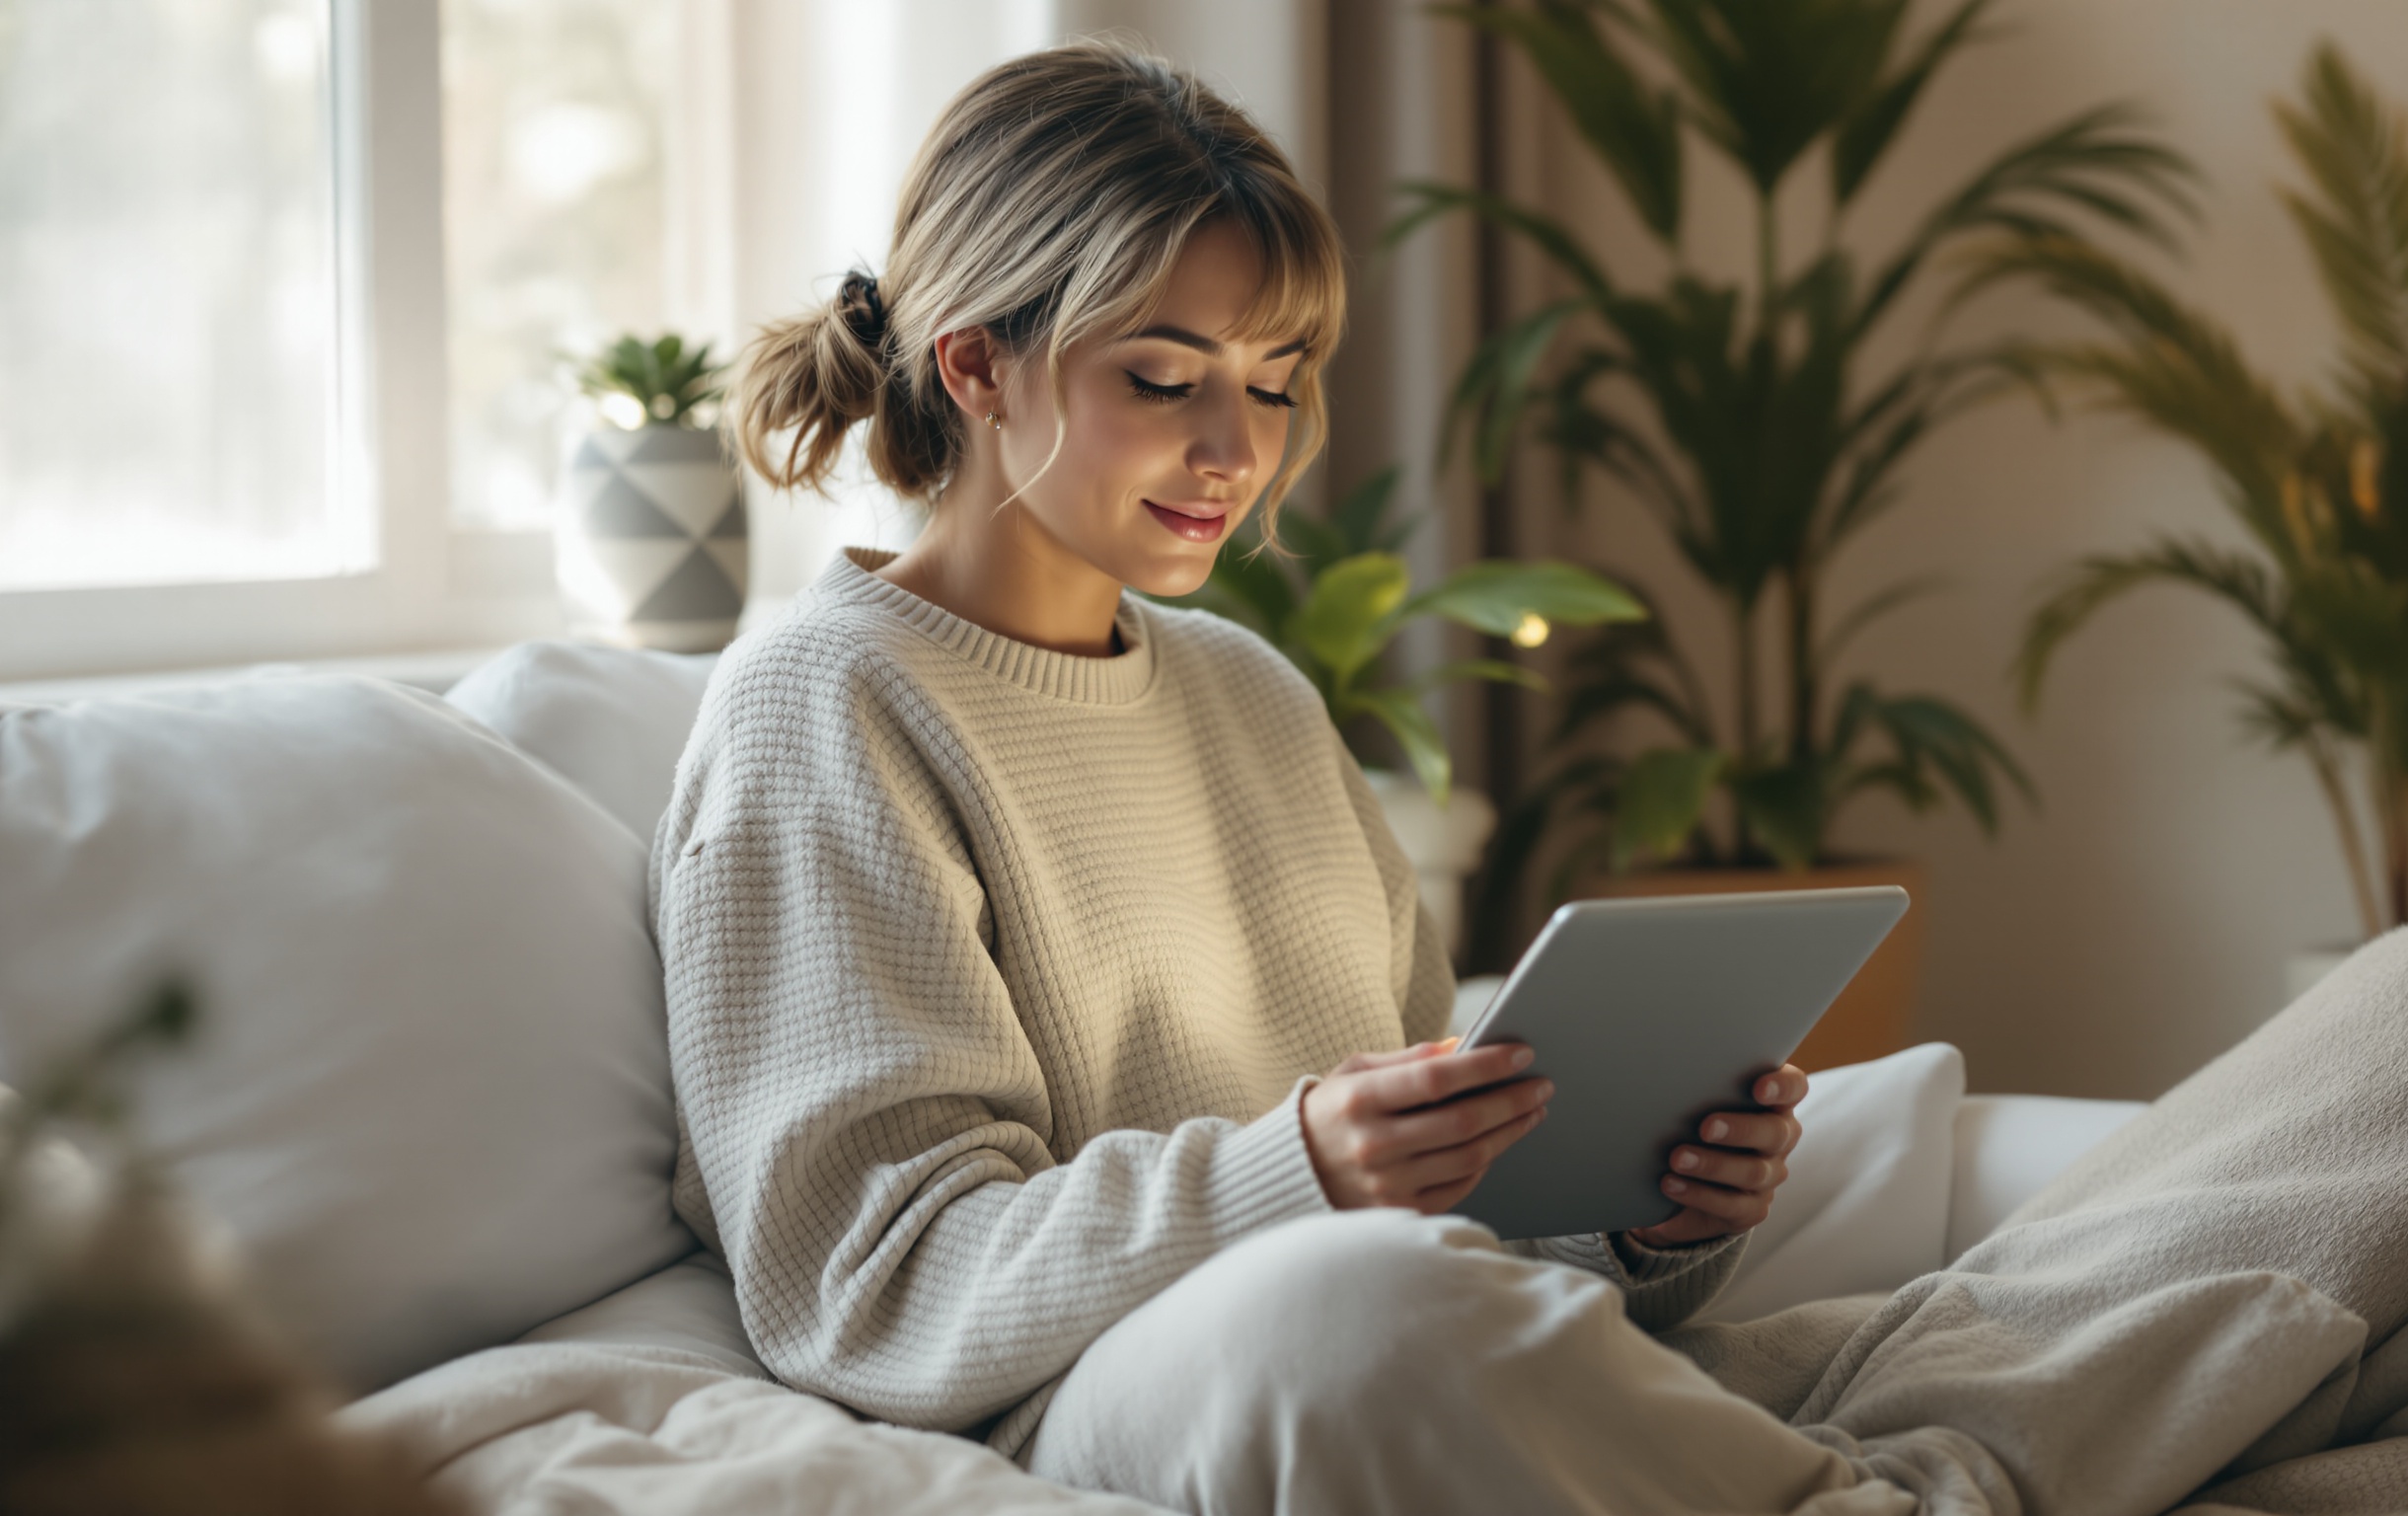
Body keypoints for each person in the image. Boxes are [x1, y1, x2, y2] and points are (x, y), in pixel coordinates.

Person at [656, 40, 1850, 1514]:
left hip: (1414, 1336)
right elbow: (871, 1284)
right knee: (1360, 1313)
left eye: (1277, 387)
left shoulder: (1255, 696)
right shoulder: (826, 705)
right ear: (975, 363)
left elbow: (1469, 1225)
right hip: (1110, 1395)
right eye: (1166, 379)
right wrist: (1295, 1172)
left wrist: (1648, 1221)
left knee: (2070, 1153)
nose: (1238, 451)